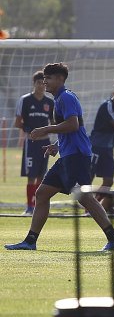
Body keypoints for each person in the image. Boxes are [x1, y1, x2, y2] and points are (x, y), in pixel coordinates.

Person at [5, 63, 114, 251]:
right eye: (44, 78)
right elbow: (70, 130)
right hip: (68, 156)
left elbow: (73, 125)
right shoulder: (60, 98)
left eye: (49, 78)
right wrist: (57, 145)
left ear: (60, 79)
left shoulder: (66, 98)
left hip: (77, 157)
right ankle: (30, 241)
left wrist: (45, 129)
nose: (45, 82)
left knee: (85, 199)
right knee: (42, 193)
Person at [15, 70, 54, 215]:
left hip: (45, 144)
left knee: (41, 176)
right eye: (38, 83)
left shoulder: (50, 102)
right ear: (34, 84)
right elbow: (17, 122)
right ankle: (29, 207)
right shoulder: (25, 100)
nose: (41, 86)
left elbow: (54, 122)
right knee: (31, 176)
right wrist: (31, 131)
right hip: (31, 143)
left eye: (43, 83)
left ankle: (39, 206)